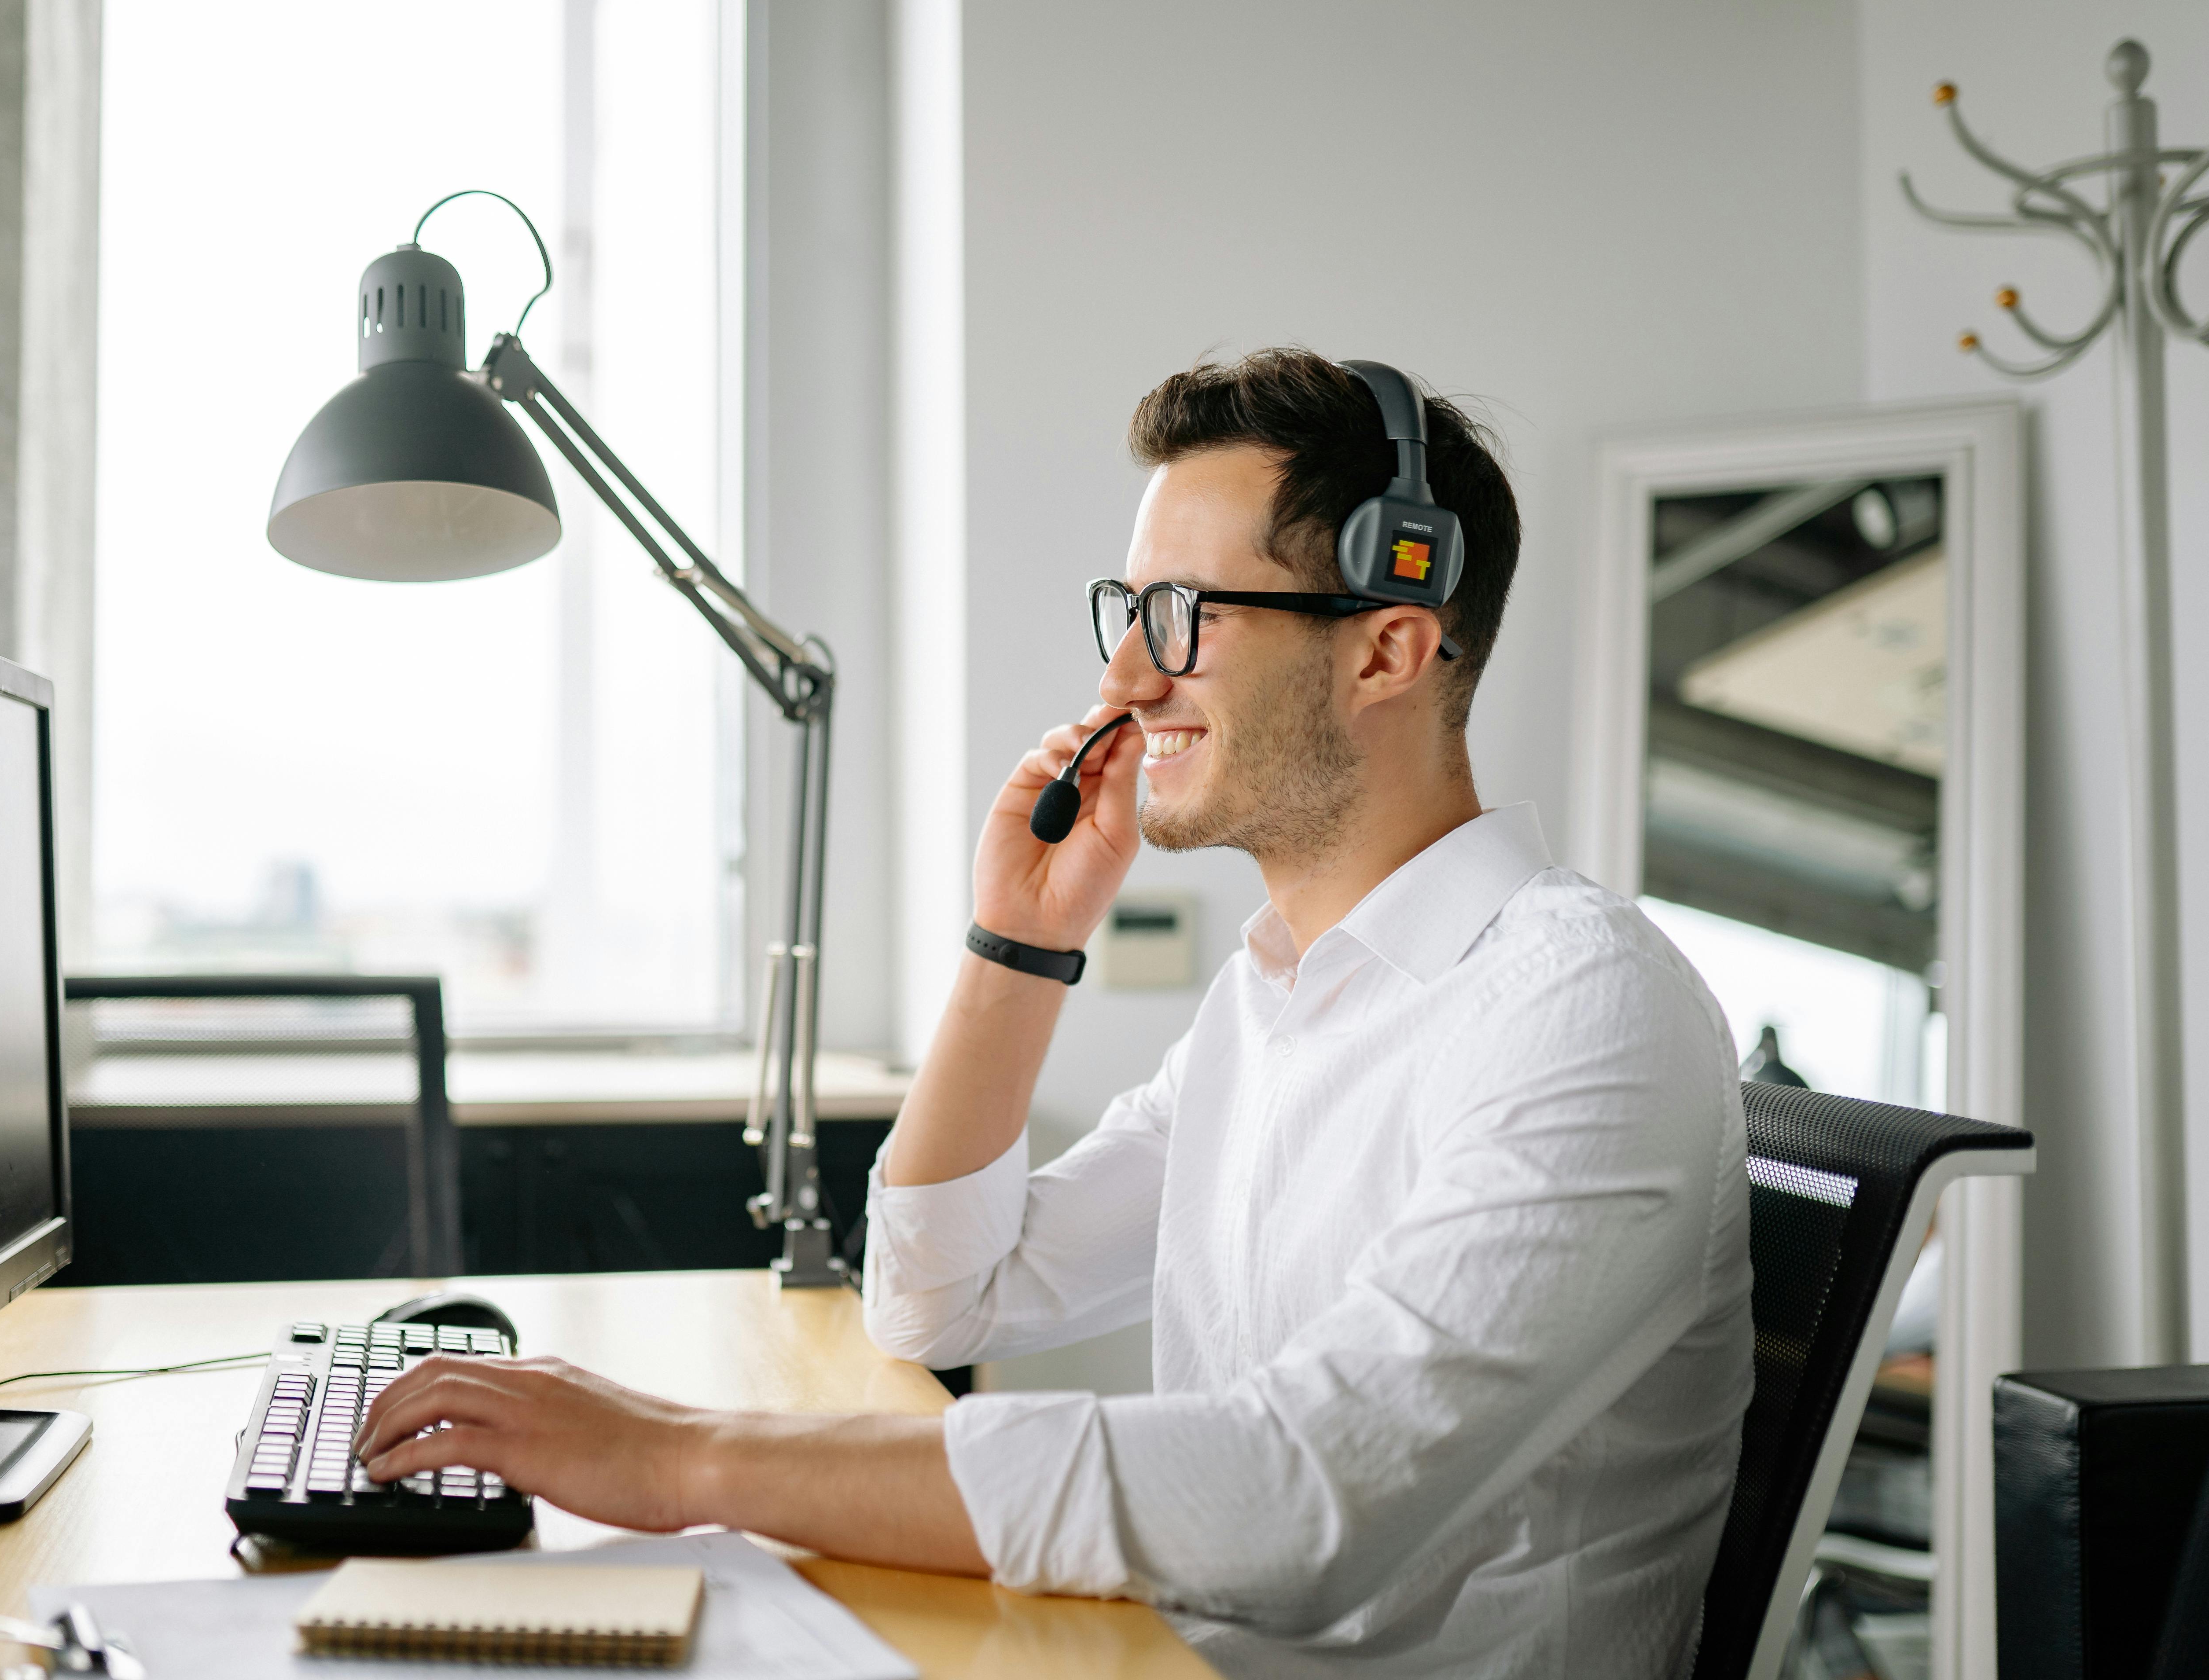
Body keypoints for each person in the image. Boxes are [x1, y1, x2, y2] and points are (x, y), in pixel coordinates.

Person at [355, 348, 1752, 1678]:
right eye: (1127, 611)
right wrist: (1017, 947)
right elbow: (939, 1298)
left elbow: (1299, 1500)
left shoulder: (1582, 1011)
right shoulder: (1276, 999)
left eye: (1183, 621)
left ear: (1387, 648)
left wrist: (680, 1462)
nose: (1127, 683)